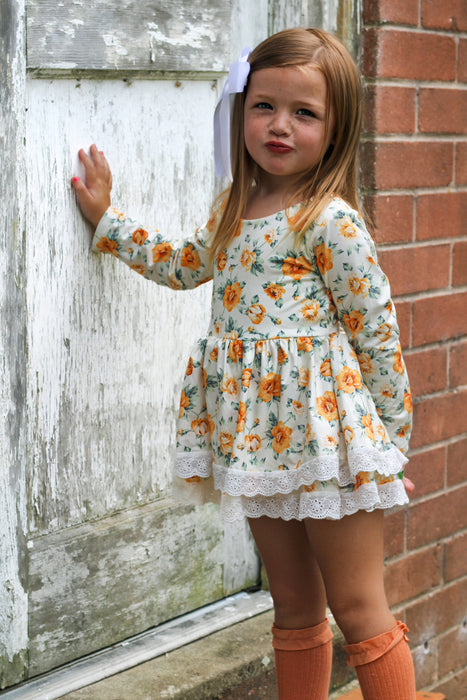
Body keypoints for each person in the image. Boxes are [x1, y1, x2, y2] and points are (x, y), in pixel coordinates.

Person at [72, 27, 416, 700]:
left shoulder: (330, 222)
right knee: (290, 607)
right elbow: (182, 265)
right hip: (260, 444)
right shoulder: (233, 208)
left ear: (336, 128)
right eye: (263, 106)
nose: (279, 125)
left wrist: (388, 447)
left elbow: (376, 335)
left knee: (357, 610)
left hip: (333, 448)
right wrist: (109, 221)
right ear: (240, 109)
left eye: (304, 113)